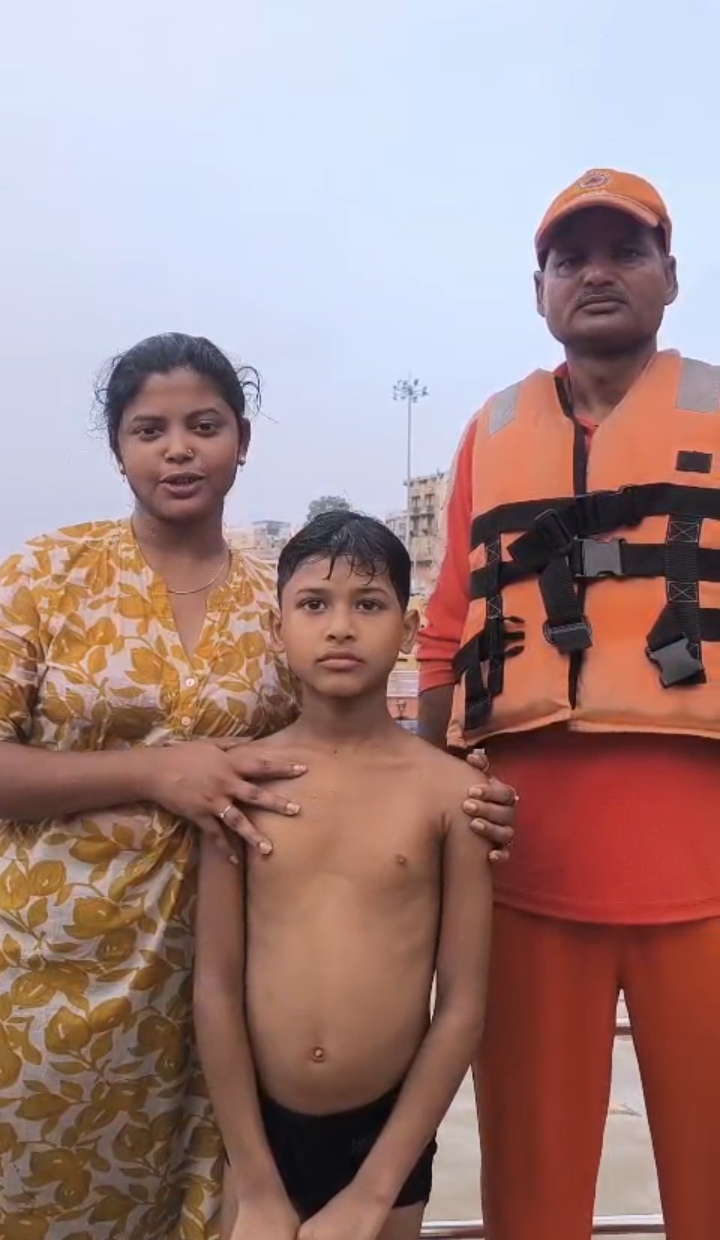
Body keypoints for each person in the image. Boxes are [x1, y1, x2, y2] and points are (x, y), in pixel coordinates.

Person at [0, 333, 515, 1240]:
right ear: (116, 446)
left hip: (220, 1032)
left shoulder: (265, 597)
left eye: (204, 425)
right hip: (57, 980)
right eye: (149, 429)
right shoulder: (44, 576)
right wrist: (156, 769)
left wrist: (464, 782)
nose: (178, 449)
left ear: (242, 439)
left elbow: (350, 757)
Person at [417, 167, 720, 1240]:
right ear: (539, 288)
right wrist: (431, 790)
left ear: (670, 276)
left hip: (709, 883)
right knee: (533, 1197)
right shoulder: (490, 431)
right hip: (526, 878)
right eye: (569, 258)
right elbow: (444, 629)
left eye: (625, 252)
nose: (596, 273)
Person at [194, 510, 494, 1240]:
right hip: (258, 1136)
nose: (339, 628)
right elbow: (215, 986)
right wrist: (256, 1182)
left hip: (386, 1138)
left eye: (368, 604)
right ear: (278, 628)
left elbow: (461, 1004)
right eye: (313, 604)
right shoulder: (240, 782)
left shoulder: (450, 794)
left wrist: (374, 1190)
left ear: (409, 628)